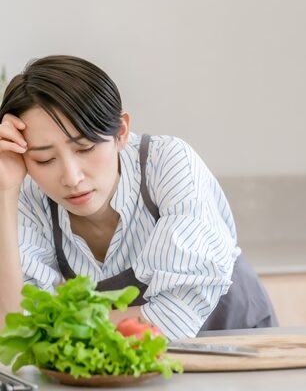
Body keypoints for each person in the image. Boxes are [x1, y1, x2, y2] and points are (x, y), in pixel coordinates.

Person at [0, 55, 278, 340]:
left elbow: (173, 317)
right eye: (45, 160)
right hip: (134, 369)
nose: (71, 178)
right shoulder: (27, 192)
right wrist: (5, 190)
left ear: (120, 132)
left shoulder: (168, 162)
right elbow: (15, 327)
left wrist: (57, 329)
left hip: (236, 341)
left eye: (84, 149)